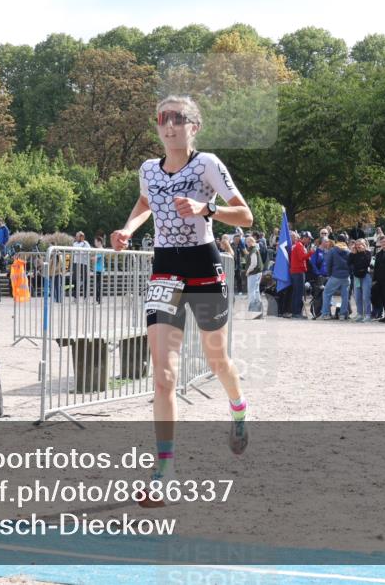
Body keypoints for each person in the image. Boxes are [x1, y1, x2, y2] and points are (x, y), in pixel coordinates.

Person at [110, 94, 252, 506]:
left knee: (216, 358)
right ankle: (164, 471)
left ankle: (238, 407)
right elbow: (144, 201)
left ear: (194, 127)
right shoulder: (148, 170)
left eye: (179, 119)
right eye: (162, 119)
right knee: (164, 375)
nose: (169, 125)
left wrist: (207, 209)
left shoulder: (207, 164)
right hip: (165, 270)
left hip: (204, 266)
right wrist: (128, 228)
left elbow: (245, 215)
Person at [321, 233, 351, 320]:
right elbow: (351, 264)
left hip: (335, 275)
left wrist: (330, 274)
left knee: (326, 293)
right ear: (345, 240)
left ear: (337, 240)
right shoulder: (348, 251)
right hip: (346, 277)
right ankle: (342, 315)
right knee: (345, 296)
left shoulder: (333, 250)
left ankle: (326, 314)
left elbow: (328, 263)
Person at [288, 232, 311, 319]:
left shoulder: (298, 245)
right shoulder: (299, 246)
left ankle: (296, 312)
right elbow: (302, 257)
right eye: (308, 239)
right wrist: (311, 252)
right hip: (298, 272)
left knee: (297, 293)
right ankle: (296, 313)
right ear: (304, 238)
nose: (309, 241)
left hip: (296, 271)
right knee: (298, 293)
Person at [350, 238, 373, 322]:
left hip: (365, 276)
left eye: (360, 244)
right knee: (357, 296)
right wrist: (352, 253)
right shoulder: (354, 254)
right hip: (356, 277)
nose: (358, 245)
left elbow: (366, 263)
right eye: (357, 244)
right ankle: (359, 314)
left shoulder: (367, 253)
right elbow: (348, 263)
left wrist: (363, 251)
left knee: (366, 296)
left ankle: (368, 314)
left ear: (364, 245)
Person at [244, 235, 264, 316]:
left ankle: (253, 309)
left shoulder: (253, 250)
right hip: (257, 272)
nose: (247, 243)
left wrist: (247, 271)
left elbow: (253, 264)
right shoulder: (255, 249)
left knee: (252, 291)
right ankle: (258, 309)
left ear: (253, 242)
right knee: (256, 291)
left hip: (254, 273)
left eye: (249, 242)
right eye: (247, 242)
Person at [71, 231, 91, 300]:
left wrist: (81, 252)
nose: (76, 237)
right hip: (76, 263)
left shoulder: (86, 243)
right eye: (76, 236)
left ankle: (85, 296)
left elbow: (89, 251)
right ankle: (75, 296)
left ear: (81, 237)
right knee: (74, 279)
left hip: (84, 263)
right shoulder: (74, 244)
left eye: (77, 236)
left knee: (85, 279)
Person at [94, 234, 106, 304]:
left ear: (99, 242)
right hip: (98, 269)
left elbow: (96, 259)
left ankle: (98, 300)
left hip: (100, 269)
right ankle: (98, 299)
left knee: (98, 285)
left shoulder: (100, 250)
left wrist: (91, 258)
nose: (95, 243)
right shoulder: (99, 250)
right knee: (98, 285)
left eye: (95, 241)